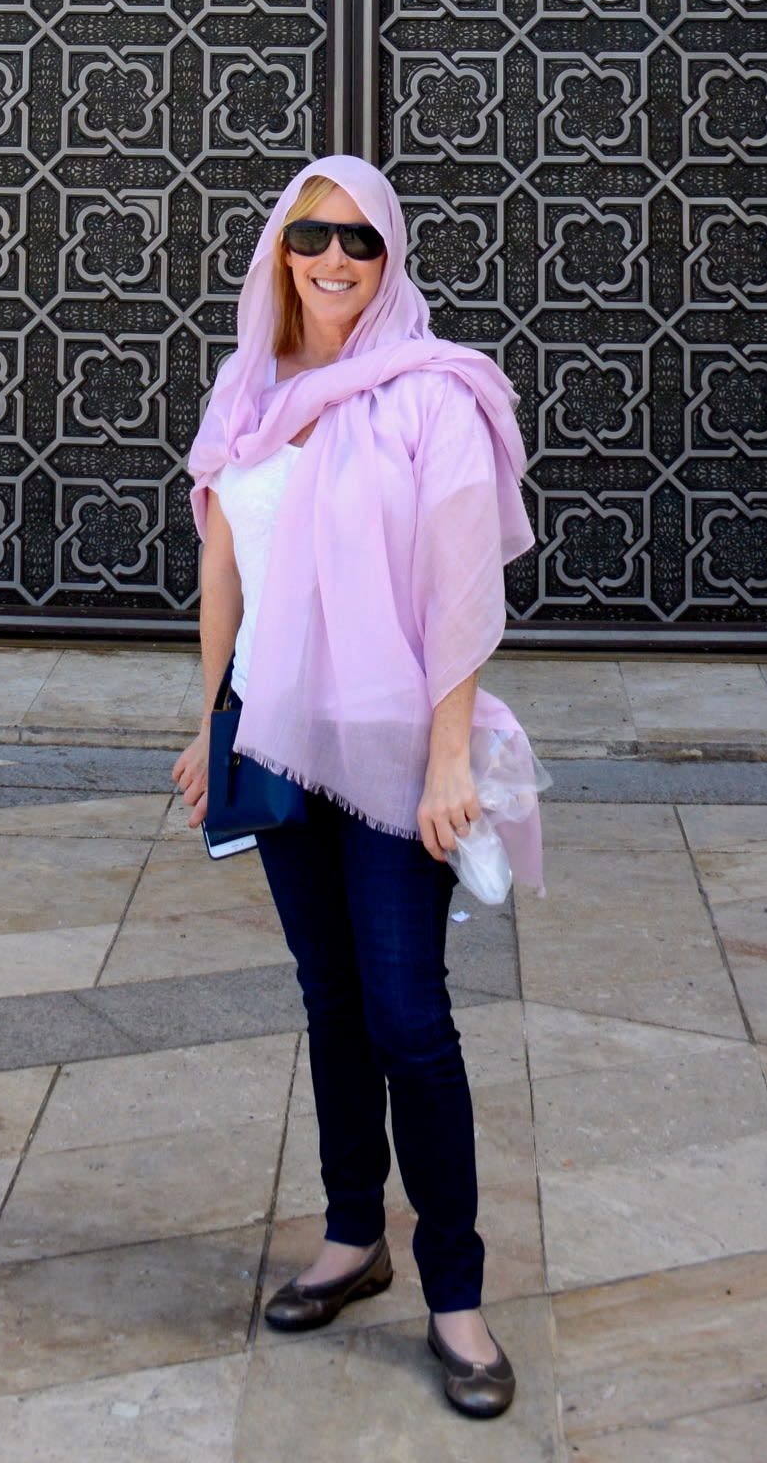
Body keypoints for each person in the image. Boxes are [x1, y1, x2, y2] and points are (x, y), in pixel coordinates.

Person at [170, 156, 540, 1422]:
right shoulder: (246, 386)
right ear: (278, 249)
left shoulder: (434, 392)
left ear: (389, 259)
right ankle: (350, 1235)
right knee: (328, 999)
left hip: (388, 750)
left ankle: (455, 1296)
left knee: (408, 1018)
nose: (333, 258)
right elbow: (223, 573)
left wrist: (447, 755)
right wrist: (207, 721)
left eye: (360, 241)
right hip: (273, 740)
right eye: (309, 234)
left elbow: (459, 590)